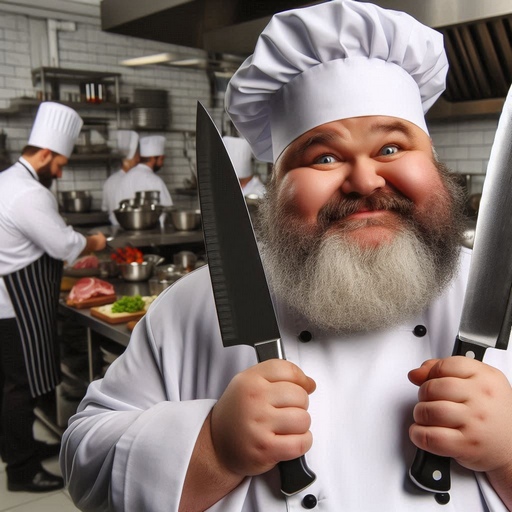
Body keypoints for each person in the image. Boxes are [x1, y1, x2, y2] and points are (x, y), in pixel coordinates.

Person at [60, 2, 512, 511]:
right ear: (277, 188)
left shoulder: (494, 295)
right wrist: (212, 447)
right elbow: (85, 461)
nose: (364, 181)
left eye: (391, 148)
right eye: (324, 157)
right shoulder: (197, 303)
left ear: (437, 167)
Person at [0, 101, 107, 493]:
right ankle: (22, 472)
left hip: (10, 303)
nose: (60, 172)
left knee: (11, 387)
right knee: (20, 389)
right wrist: (94, 240)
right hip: (15, 308)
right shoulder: (27, 193)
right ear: (44, 154)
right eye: (59, 163)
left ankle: (19, 448)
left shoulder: (6, 181)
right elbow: (63, 245)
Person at [116, 135, 173, 208]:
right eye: (162, 159)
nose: (162, 164)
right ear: (153, 158)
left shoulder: (126, 177)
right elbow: (167, 210)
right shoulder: (154, 181)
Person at [101, 130, 140, 225]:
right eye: (138, 154)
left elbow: (104, 208)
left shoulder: (109, 181)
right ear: (133, 157)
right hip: (133, 228)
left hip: (114, 230)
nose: (139, 158)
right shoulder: (136, 181)